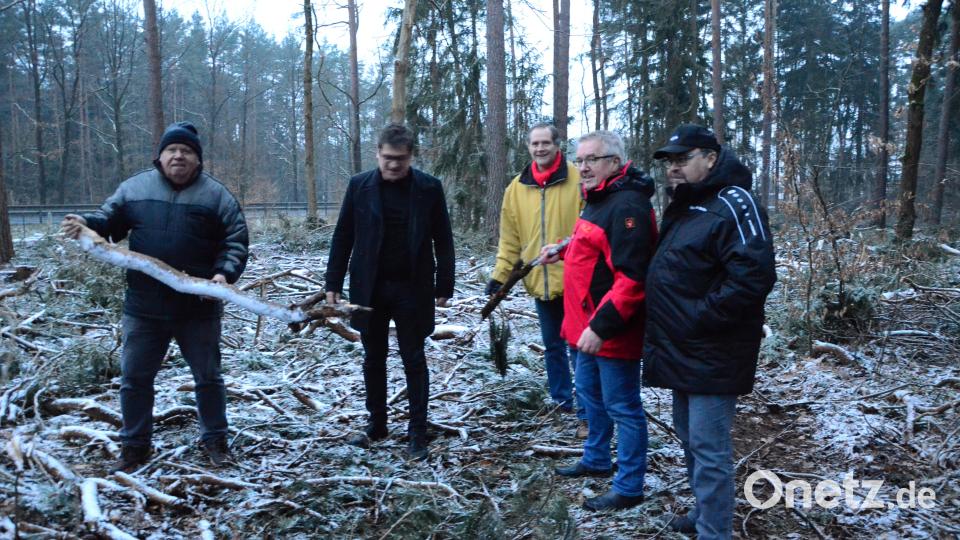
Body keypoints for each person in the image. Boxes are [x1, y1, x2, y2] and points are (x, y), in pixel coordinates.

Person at [61, 122, 249, 473]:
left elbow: (235, 240)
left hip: (199, 307)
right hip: (144, 307)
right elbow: (107, 222)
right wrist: (84, 223)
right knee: (134, 379)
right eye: (172, 150)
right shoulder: (134, 189)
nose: (179, 156)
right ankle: (134, 447)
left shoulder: (216, 196)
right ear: (160, 156)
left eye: (187, 151)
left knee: (208, 378)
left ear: (198, 159)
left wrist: (224, 273)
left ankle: (216, 442)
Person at [644, 125, 776, 538]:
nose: (674, 168)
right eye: (670, 162)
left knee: (708, 446)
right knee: (688, 438)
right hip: (682, 346)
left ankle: (715, 531)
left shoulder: (735, 201)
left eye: (683, 159)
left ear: (711, 159)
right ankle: (705, 515)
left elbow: (754, 276)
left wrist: (700, 317)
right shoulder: (687, 204)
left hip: (714, 348)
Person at [324, 123, 455, 461]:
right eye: (387, 158)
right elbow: (343, 236)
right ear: (377, 153)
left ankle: (417, 433)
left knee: (414, 358)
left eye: (401, 158)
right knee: (373, 357)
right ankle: (377, 424)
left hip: (413, 287)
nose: (393, 165)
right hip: (370, 288)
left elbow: (443, 238)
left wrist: (444, 285)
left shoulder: (429, 188)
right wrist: (332, 284)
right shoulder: (359, 187)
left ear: (411, 156)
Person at [542, 130, 657, 511]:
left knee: (623, 406)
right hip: (583, 327)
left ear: (615, 162)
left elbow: (632, 278)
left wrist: (601, 327)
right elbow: (596, 246)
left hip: (610, 331)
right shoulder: (598, 198)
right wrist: (564, 248)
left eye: (593, 159)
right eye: (580, 160)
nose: (584, 166)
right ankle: (596, 459)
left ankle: (629, 486)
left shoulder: (628, 207)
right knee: (590, 396)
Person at [487, 123, 585, 434]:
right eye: (535, 143)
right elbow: (510, 239)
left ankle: (586, 406)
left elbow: (588, 228)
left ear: (558, 145)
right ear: (528, 147)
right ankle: (561, 401)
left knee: (579, 346)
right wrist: (500, 275)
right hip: (539, 281)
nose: (540, 148)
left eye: (545, 143)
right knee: (552, 345)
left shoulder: (577, 180)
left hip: (576, 278)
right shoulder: (517, 188)